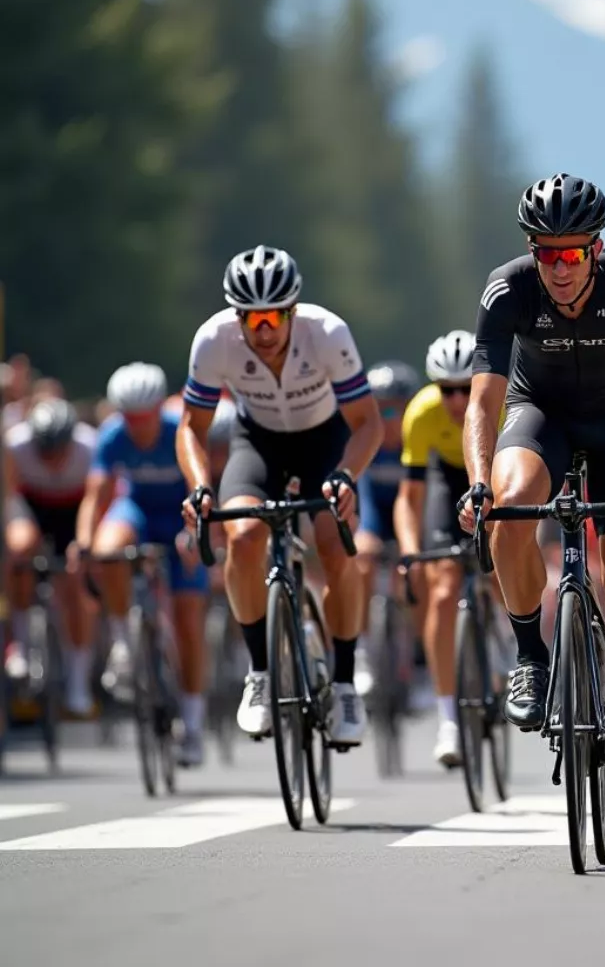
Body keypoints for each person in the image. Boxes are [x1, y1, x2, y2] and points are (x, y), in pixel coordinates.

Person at [457, 173, 605, 836]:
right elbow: (483, 404)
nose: (559, 268)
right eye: (546, 253)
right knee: (511, 503)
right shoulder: (508, 287)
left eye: (572, 253)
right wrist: (478, 482)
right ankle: (530, 655)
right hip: (540, 415)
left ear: (597, 249)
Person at [176, 245, 383, 749]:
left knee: (335, 546)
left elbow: (368, 424)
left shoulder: (327, 333)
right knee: (242, 537)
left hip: (325, 441)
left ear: (292, 311)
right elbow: (191, 428)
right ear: (236, 317)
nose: (263, 330)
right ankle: (261, 674)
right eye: (251, 318)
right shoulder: (213, 340)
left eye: (273, 317)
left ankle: (344, 682)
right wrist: (200, 487)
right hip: (258, 442)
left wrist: (346, 476)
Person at [76, 364, 206, 765]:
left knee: (188, 621)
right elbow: (96, 495)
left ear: (157, 410)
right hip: (137, 513)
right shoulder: (112, 437)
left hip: (178, 516)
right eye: (129, 417)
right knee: (106, 548)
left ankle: (193, 723)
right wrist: (83, 543)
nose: (137, 425)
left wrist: (194, 535)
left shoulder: (177, 432)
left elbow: (197, 487)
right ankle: (123, 641)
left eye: (143, 416)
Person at [394, 330, 489, 767]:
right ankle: (448, 717)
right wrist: (411, 553)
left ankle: (509, 645)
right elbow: (409, 498)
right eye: (446, 389)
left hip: (492, 474)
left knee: (504, 561)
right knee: (442, 589)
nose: (456, 400)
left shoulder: (498, 403)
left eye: (466, 389)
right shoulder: (422, 413)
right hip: (445, 480)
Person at [3, 399, 97, 715]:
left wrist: (84, 544)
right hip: (33, 507)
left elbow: (97, 498)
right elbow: (9, 493)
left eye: (60, 451)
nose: (54, 459)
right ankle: (21, 645)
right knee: (19, 548)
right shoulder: (16, 444)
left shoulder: (89, 446)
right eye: (46, 451)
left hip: (74, 509)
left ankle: (77, 682)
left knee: (75, 583)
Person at [354, 361, 420, 693]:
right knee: (362, 563)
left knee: (420, 572)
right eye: (382, 411)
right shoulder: (367, 442)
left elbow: (426, 498)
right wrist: (365, 531)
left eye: (398, 411)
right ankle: (363, 651)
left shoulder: (419, 439)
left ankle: (417, 659)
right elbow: (362, 493)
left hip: (413, 518)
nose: (389, 421)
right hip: (377, 519)